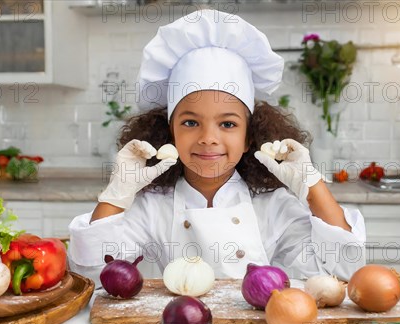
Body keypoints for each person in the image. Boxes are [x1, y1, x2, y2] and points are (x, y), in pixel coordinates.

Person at [69, 9, 366, 283]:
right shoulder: (153, 207)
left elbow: (340, 273)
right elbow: (95, 276)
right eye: (190, 122)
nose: (208, 138)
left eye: (227, 124)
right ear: (169, 133)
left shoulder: (273, 206)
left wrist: (313, 187)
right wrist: (116, 195)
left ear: (250, 136)